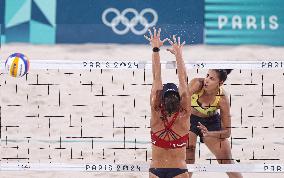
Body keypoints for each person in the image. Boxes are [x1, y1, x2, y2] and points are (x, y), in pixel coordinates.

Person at [144, 27, 191, 178]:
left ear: (161, 100)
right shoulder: (184, 115)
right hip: (179, 171)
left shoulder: (156, 112)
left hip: (156, 171)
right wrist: (178, 55)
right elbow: (183, 80)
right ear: (179, 100)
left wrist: (156, 49)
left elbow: (156, 77)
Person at [186, 69, 243, 178]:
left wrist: (209, 133)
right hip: (190, 120)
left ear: (220, 83)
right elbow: (181, 102)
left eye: (211, 78)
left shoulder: (222, 99)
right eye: (207, 76)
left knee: (226, 162)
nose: (206, 80)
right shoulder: (197, 84)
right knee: (188, 156)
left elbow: (227, 132)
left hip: (210, 123)